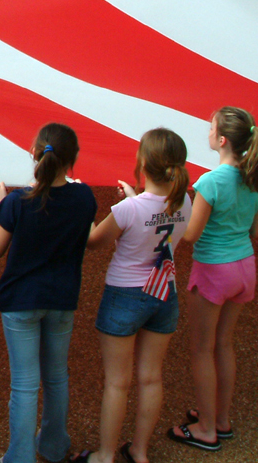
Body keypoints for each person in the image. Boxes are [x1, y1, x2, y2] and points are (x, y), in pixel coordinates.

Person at [0, 123, 97, 463]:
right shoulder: (84, 197)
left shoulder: (18, 201)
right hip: (62, 298)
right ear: (72, 160)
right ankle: (52, 445)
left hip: (21, 301)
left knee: (24, 384)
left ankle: (19, 458)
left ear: (35, 154)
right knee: (56, 376)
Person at [79, 130, 192, 463]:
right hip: (164, 292)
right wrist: (133, 197)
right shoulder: (185, 201)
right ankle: (140, 451)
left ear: (143, 162)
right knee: (151, 377)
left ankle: (105, 454)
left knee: (117, 382)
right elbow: (156, 215)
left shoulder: (128, 209)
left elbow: (95, 240)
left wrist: (89, 211)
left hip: (125, 295)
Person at [170, 107, 258, 450]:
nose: (208, 132)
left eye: (210, 128)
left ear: (222, 140)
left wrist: (177, 209)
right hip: (245, 267)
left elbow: (190, 235)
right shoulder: (257, 178)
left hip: (214, 269)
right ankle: (221, 418)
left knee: (201, 349)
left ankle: (206, 428)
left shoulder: (210, 182)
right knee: (224, 345)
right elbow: (257, 230)